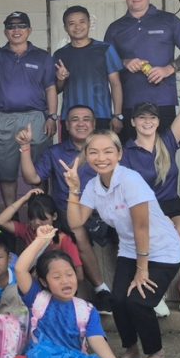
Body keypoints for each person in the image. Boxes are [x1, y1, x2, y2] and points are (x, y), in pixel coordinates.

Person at [63, 131, 180, 358]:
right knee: (117, 299)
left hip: (162, 250)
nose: (101, 158)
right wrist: (74, 190)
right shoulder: (93, 186)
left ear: (119, 154)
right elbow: (76, 222)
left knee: (138, 301)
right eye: (94, 152)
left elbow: (142, 226)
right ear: (86, 156)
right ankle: (131, 349)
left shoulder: (130, 180)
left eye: (108, 151)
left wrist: (142, 269)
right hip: (130, 249)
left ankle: (156, 353)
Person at [9, 225, 137, 358]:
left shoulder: (86, 310)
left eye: (69, 275)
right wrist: (41, 240)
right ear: (44, 281)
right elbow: (20, 269)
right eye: (57, 277)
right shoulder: (37, 298)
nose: (65, 281)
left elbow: (96, 339)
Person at [121, 61, 180, 318]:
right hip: (143, 208)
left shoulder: (168, 141)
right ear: (133, 121)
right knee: (151, 236)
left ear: (158, 121)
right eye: (142, 118)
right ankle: (154, 289)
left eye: (152, 118)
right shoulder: (125, 152)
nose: (147, 122)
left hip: (170, 202)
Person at [18, 105, 111, 302]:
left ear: (94, 124)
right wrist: (25, 148)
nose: (81, 123)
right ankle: (101, 289)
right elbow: (32, 178)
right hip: (69, 212)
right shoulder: (55, 152)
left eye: (86, 119)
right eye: (75, 119)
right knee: (78, 232)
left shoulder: (104, 150)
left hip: (105, 210)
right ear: (66, 125)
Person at [0, 10, 58, 207]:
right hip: (5, 119)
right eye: (11, 27)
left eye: (21, 26)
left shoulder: (43, 57)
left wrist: (52, 116)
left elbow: (51, 87)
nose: (16, 30)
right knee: (6, 174)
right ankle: (12, 215)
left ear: (29, 30)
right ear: (5, 32)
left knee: (39, 172)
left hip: (36, 118)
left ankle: (39, 214)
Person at [103, 0, 180, 142]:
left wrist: (168, 69)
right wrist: (124, 62)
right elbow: (104, 61)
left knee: (165, 150)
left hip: (163, 101)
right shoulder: (115, 28)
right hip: (129, 103)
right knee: (130, 152)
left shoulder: (168, 20)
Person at [54, 6, 124, 133]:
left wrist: (117, 115)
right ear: (65, 28)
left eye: (82, 22)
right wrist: (60, 78)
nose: (77, 27)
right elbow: (56, 89)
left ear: (89, 23)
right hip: (70, 118)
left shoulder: (105, 49)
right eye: (72, 23)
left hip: (101, 115)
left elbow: (115, 83)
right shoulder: (60, 54)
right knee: (70, 147)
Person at [0, 190, 84, 283]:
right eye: (32, 218)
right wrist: (24, 199)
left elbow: (79, 275)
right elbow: (1, 221)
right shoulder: (28, 230)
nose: (37, 222)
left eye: (42, 218)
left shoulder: (64, 239)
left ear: (54, 216)